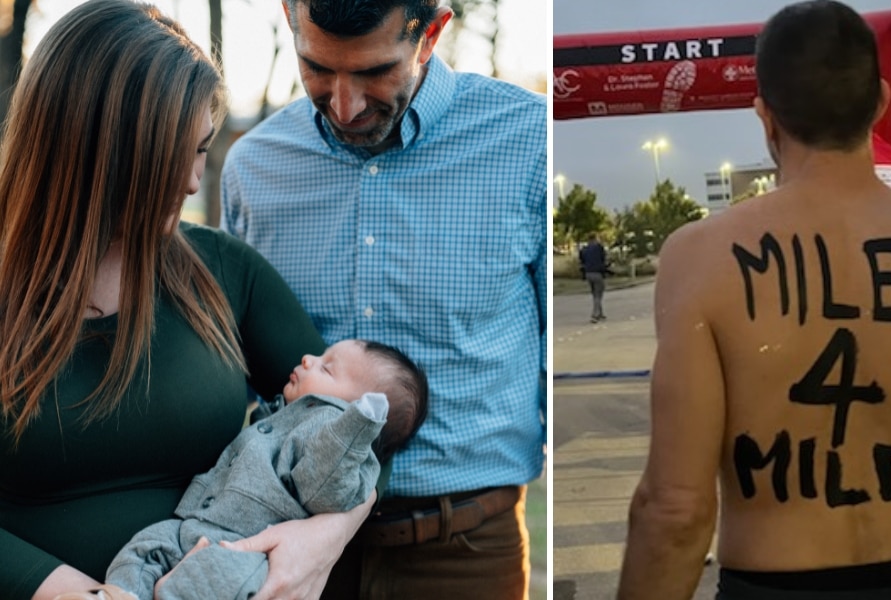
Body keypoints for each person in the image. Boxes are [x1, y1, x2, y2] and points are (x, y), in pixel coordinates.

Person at [617, 2, 891, 599]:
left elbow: (674, 510)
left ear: (764, 115)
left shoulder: (701, 259)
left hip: (772, 583)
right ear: (879, 103)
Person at [0, 2, 377, 599]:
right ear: (96, 152)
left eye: (202, 149)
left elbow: (350, 424)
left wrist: (325, 537)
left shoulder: (223, 271)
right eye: (172, 154)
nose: (192, 181)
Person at [219, 0, 546, 596]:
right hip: (284, 548)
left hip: (464, 552)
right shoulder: (252, 169)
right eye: (317, 67)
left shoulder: (530, 144)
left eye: (373, 72)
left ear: (432, 34)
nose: (345, 104)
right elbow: (231, 370)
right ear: (290, 17)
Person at [91, 340, 429, 600]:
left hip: (246, 550)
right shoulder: (288, 413)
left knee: (211, 580)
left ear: (355, 414)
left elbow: (324, 489)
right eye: (320, 357)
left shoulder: (333, 435)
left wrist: (352, 431)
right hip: (194, 526)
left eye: (326, 369)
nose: (308, 360)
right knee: (142, 548)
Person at [579, 233, 609, 323]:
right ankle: (595, 315)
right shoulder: (599, 248)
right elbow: (603, 259)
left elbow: (581, 261)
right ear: (595, 238)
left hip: (588, 273)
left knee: (595, 294)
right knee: (598, 295)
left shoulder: (584, 249)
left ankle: (600, 313)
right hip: (597, 273)